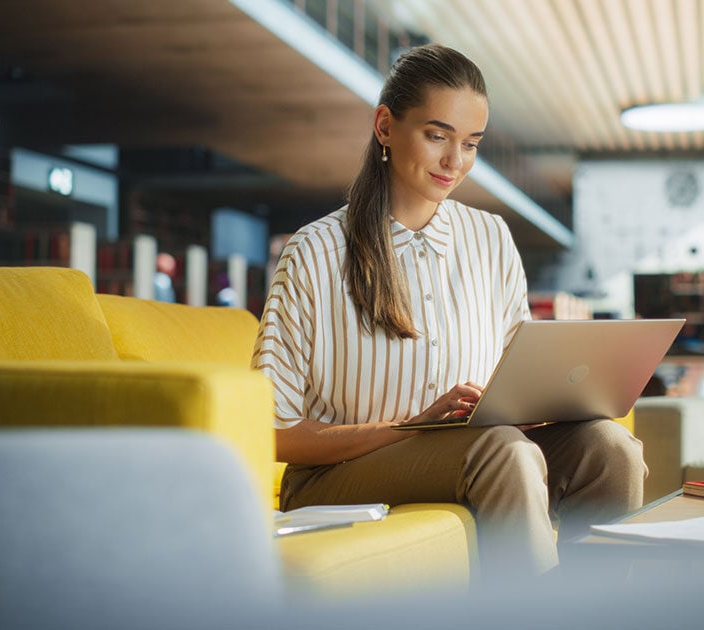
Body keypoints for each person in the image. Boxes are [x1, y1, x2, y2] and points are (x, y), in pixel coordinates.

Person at [252, 44, 647, 578]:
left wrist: (539, 398)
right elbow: (272, 431)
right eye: (437, 135)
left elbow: (516, 367)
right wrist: (410, 427)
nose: (454, 162)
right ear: (385, 127)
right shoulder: (315, 251)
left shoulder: (490, 237)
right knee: (503, 451)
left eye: (470, 144)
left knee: (610, 448)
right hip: (338, 473)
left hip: (482, 448)